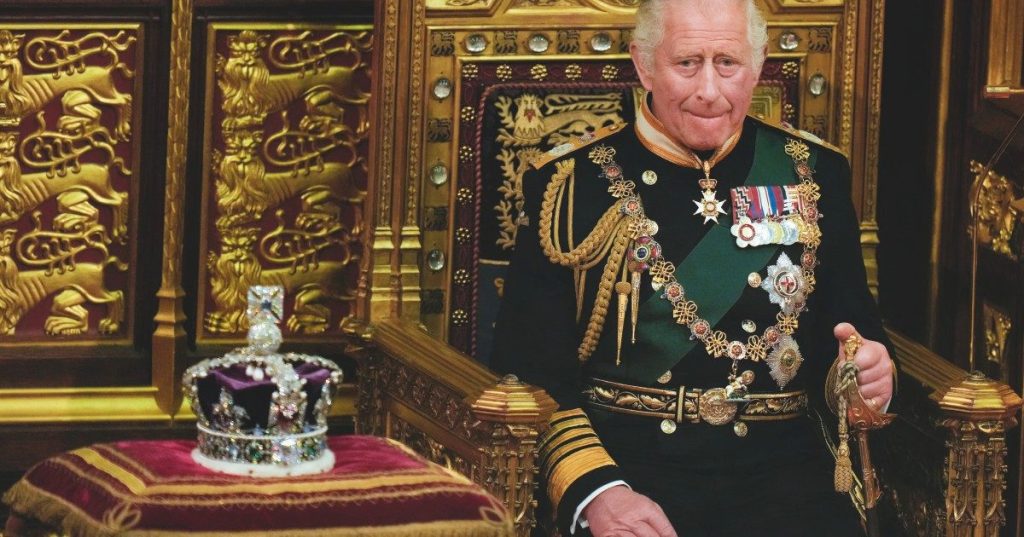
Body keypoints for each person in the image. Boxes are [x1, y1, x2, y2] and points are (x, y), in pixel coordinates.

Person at [490, 0, 897, 536]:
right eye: (687, 63)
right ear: (643, 65)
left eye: (727, 63)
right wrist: (598, 493)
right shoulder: (569, 185)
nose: (709, 89)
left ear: (757, 65)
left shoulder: (814, 173)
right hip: (628, 471)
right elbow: (528, 371)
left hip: (787, 478)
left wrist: (866, 376)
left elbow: (849, 335)